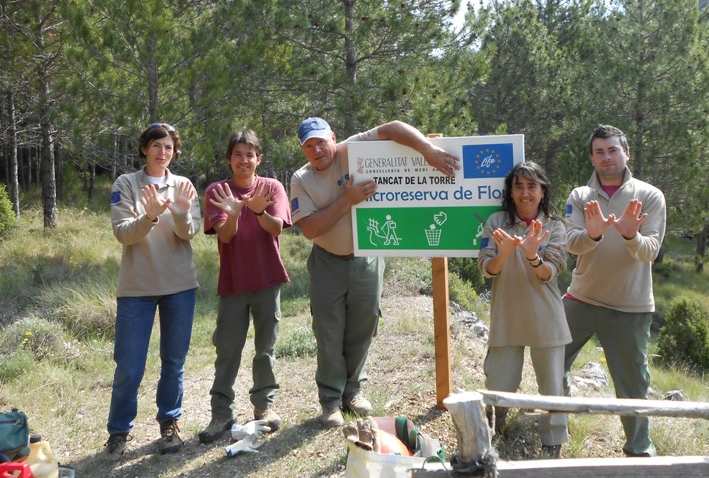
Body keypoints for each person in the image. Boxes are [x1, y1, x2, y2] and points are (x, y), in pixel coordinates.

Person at [290, 117, 459, 428]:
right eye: (308, 146)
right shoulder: (301, 179)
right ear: (303, 150)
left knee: (362, 328)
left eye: (320, 142)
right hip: (327, 262)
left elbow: (393, 128)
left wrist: (427, 151)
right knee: (328, 333)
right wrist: (347, 200)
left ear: (334, 138)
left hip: (367, 259)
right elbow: (310, 229)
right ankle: (330, 401)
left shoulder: (351, 150)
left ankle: (353, 393)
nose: (316, 150)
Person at [562, 124, 666, 457]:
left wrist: (630, 235)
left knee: (632, 385)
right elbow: (572, 244)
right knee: (552, 362)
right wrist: (592, 235)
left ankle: (639, 450)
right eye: (599, 152)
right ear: (591, 158)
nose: (606, 157)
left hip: (629, 307)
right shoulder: (579, 196)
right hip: (580, 298)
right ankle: (555, 433)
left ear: (626, 153)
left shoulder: (649, 196)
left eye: (613, 150)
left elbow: (650, 251)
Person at [105, 122, 201, 456]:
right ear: (144, 148)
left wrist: (180, 214)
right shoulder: (127, 184)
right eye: (157, 146)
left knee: (174, 362)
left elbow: (188, 234)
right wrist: (149, 216)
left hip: (180, 287)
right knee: (129, 366)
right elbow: (123, 233)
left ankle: (169, 425)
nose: (163, 153)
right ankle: (118, 431)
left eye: (169, 147)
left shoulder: (184, 186)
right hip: (136, 288)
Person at [198, 129, 292, 444]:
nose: (243, 160)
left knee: (266, 348)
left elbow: (276, 227)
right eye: (237, 154)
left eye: (249, 155)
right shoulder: (217, 191)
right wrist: (236, 211)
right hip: (234, 283)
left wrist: (258, 210)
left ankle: (263, 407)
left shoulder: (272, 187)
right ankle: (221, 413)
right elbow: (225, 236)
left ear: (258, 159)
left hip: (268, 280)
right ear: (229, 159)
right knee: (227, 349)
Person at [478, 161, 570, 459]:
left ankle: (553, 442)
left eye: (532, 186)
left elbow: (549, 273)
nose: (525, 193)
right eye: (519, 186)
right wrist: (503, 255)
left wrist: (532, 256)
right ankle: (493, 430)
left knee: (552, 385)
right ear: (511, 191)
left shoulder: (555, 226)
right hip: (506, 315)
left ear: (543, 191)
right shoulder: (496, 223)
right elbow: (486, 269)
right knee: (499, 382)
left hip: (546, 316)